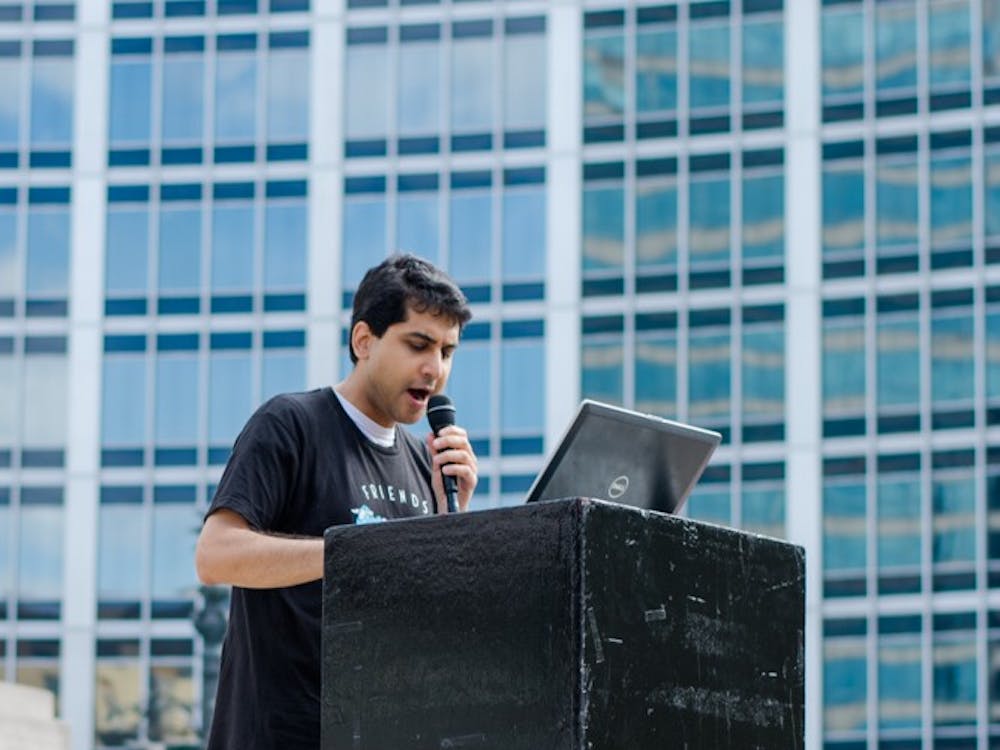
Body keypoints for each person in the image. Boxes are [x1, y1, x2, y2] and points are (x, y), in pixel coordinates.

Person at [194, 253, 478, 750]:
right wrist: (351, 552)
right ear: (364, 340)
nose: (434, 369)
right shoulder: (291, 424)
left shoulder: (425, 465)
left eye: (448, 352)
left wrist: (453, 524)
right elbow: (215, 556)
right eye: (419, 344)